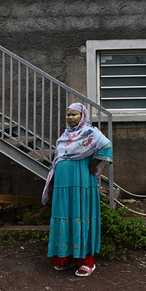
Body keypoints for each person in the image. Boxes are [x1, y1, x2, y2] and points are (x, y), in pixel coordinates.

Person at [41, 102, 112, 277]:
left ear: (83, 116)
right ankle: (66, 258)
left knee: (81, 214)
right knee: (65, 214)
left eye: (74, 114)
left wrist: (93, 165)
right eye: (68, 115)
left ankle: (86, 261)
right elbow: (58, 160)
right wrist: (52, 184)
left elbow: (107, 146)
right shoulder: (65, 136)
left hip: (82, 182)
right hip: (63, 184)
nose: (71, 118)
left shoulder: (90, 133)